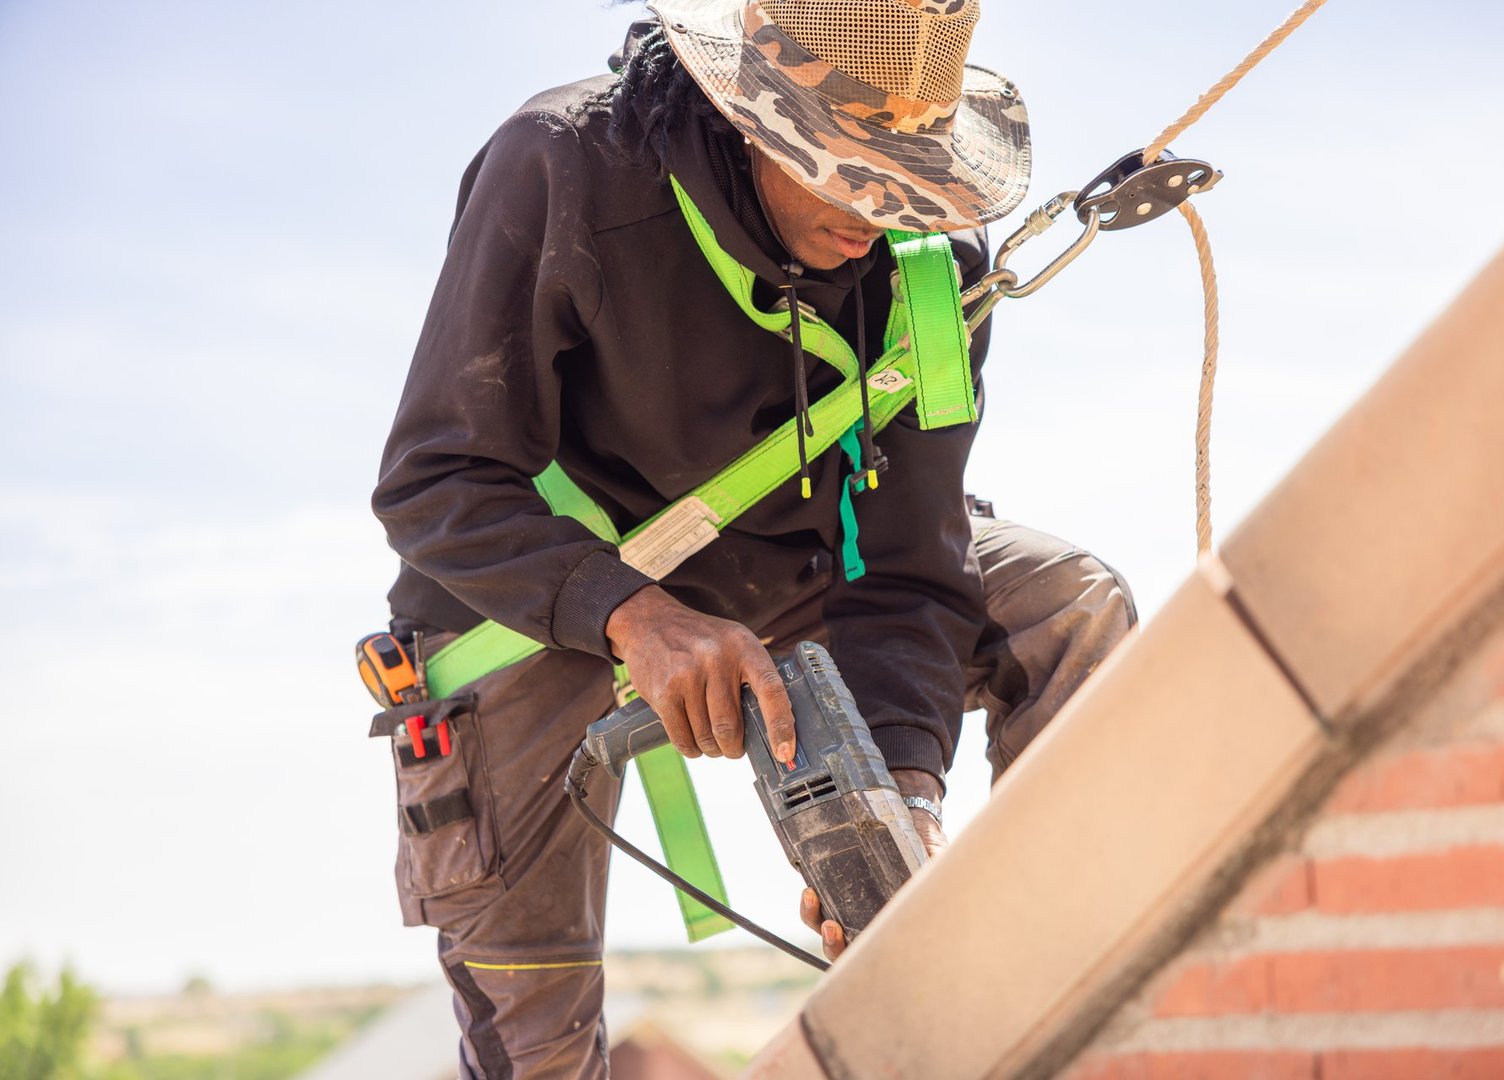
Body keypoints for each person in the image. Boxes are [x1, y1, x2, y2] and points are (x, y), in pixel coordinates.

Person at [371, 2, 1135, 1076]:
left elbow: (917, 570)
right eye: (844, 167)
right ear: (753, 120)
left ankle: (1052, 999)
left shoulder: (929, 270)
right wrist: (632, 616)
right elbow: (435, 480)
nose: (875, 210)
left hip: (783, 578)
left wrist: (898, 799)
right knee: (532, 1055)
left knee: (1071, 601)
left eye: (902, 175)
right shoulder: (564, 170)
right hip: (524, 603)